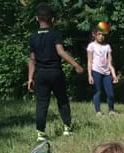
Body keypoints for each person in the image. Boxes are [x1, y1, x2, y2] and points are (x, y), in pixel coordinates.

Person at [28, 4, 84, 142]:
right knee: (62, 99)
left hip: (40, 74)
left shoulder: (33, 37)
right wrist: (76, 65)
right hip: (55, 72)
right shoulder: (55, 34)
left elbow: (32, 59)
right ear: (52, 19)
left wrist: (30, 78)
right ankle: (66, 128)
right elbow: (60, 51)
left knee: (41, 103)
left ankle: (40, 133)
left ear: (36, 18)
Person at [87, 26, 118, 116]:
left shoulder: (107, 46)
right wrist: (90, 75)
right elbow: (89, 61)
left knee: (110, 93)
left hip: (107, 73)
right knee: (98, 92)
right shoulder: (91, 46)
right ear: (94, 35)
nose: (101, 36)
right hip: (96, 71)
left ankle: (111, 110)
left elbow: (110, 63)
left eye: (103, 34)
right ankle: (98, 112)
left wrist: (114, 75)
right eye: (99, 34)